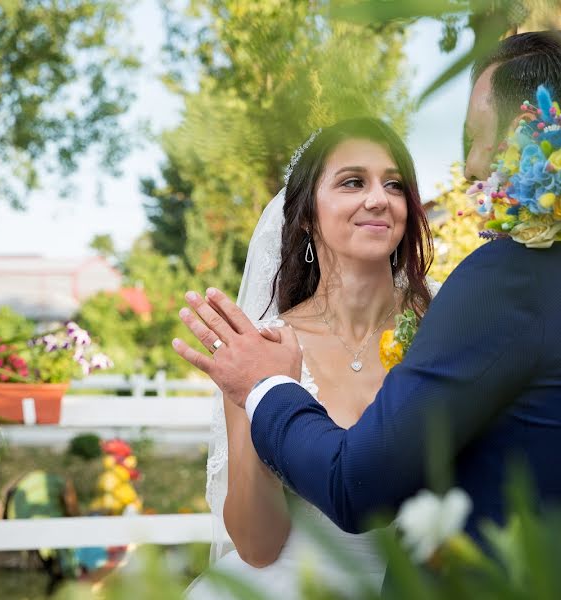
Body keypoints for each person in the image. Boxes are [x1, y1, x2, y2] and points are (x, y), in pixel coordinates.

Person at [173, 29, 561, 588]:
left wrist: (266, 391)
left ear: (522, 129)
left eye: (474, 136)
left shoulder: (490, 290)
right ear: (304, 215)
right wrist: (247, 389)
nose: (469, 165)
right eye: (351, 182)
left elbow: (354, 483)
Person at [184, 117, 435, 598]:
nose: (378, 198)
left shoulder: (448, 322)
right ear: (304, 214)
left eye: (394, 184)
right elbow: (258, 547)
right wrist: (259, 393)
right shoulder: (261, 345)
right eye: (353, 182)